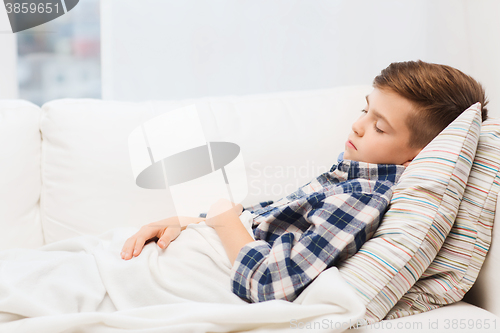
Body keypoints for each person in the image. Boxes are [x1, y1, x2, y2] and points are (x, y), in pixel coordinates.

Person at [120, 60, 488, 303]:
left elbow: (270, 284)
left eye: (379, 126)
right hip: (192, 247)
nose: (358, 125)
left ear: (415, 157)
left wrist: (224, 218)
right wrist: (193, 221)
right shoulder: (347, 174)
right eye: (365, 110)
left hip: (198, 275)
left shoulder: (361, 198)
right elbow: (266, 224)